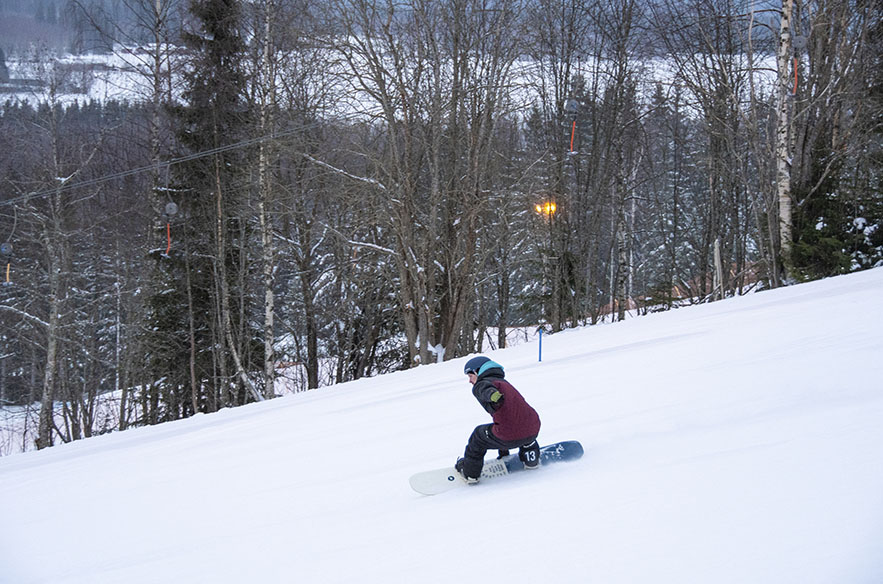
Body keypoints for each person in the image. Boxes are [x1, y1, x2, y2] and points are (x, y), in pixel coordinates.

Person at [455, 356, 541, 484]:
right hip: (533, 427)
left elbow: (486, 390)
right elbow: (508, 416)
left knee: (478, 436)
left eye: (470, 376)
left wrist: (492, 395)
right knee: (518, 426)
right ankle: (531, 460)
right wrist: (504, 453)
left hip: (510, 433)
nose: (469, 381)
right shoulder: (503, 382)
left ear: (477, 372)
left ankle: (470, 474)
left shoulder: (482, 384)